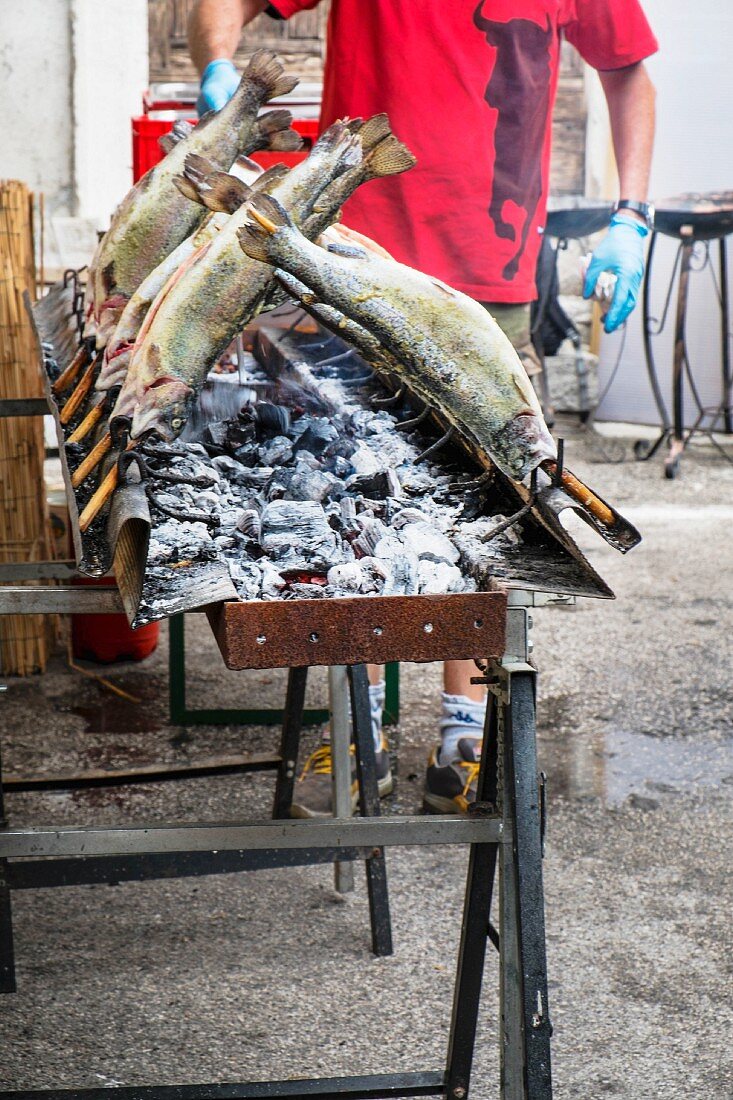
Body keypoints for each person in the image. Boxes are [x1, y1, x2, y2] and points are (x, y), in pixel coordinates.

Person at [188, 0, 657, 816]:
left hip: (493, 273)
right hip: (347, 258)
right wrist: (219, 71)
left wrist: (631, 215)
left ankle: (464, 727)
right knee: (339, 506)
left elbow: (626, 71)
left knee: (491, 516)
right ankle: (355, 724)